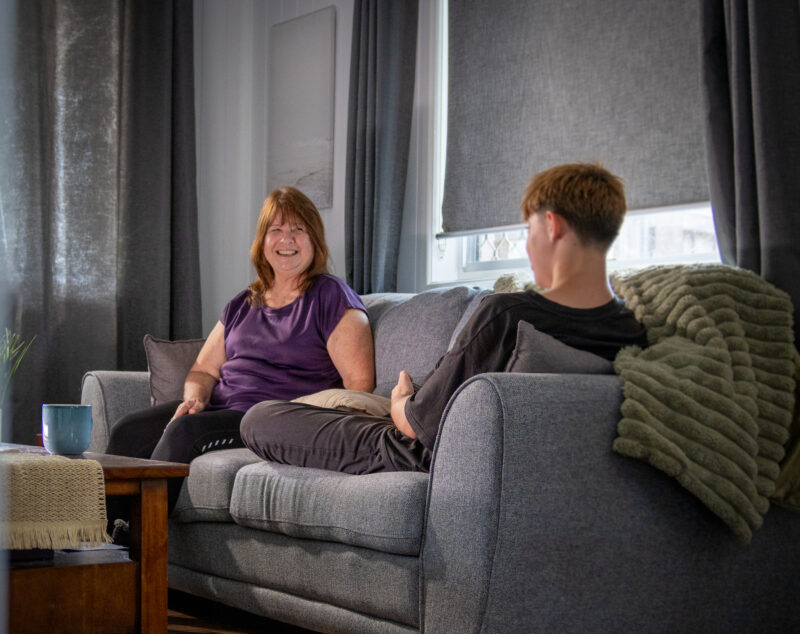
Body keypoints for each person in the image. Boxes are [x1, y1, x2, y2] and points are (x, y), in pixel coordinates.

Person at [239, 163, 648, 474]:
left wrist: (400, 401)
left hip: (414, 449)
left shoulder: (507, 313)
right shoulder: (631, 330)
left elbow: (416, 425)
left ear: (552, 226)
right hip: (472, 439)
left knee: (261, 418)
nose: (528, 245)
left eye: (528, 230)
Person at [106, 186, 374, 467]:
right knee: (128, 430)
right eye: (276, 229)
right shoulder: (243, 303)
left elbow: (359, 387)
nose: (287, 239)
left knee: (183, 432)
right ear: (263, 241)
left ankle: (149, 513)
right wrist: (195, 400)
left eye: (298, 230)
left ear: (314, 240)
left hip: (267, 421)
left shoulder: (331, 297)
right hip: (219, 411)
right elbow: (203, 370)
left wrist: (308, 428)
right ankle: (108, 514)